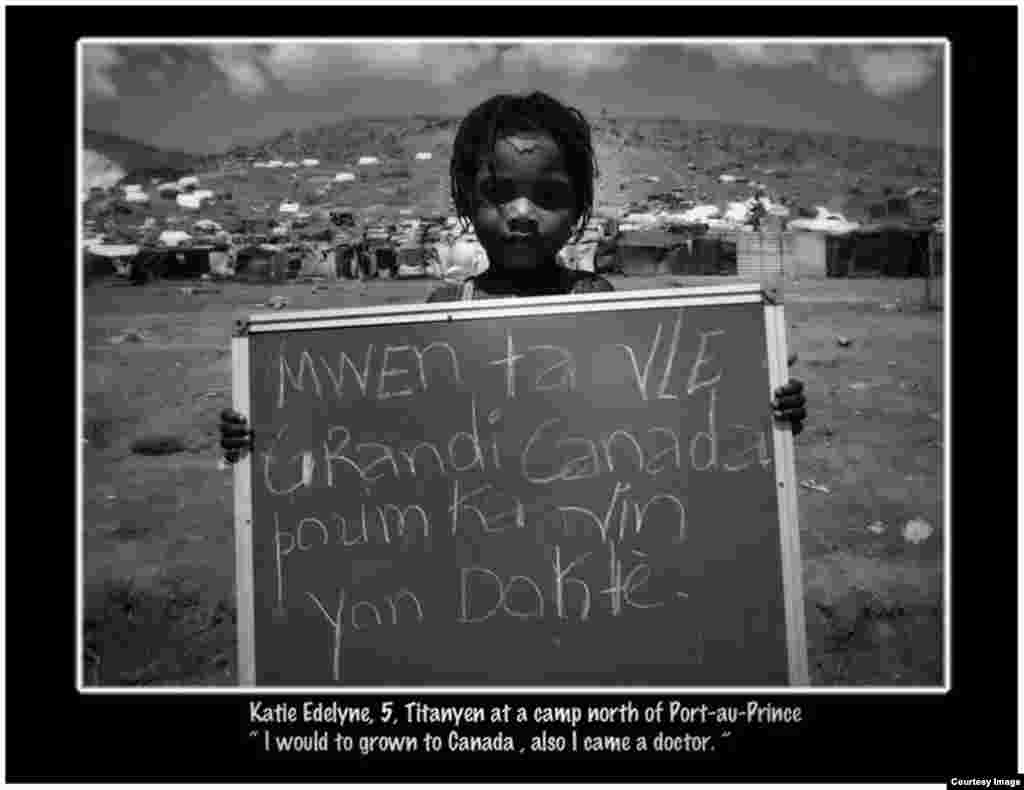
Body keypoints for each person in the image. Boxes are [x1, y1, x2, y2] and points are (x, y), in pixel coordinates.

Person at [221, 91, 805, 461]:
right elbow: (389, 432)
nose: (522, 214)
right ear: (465, 201)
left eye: (547, 196)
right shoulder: (442, 306)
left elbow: (657, 422)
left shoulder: (595, 300)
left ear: (579, 209)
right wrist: (268, 436)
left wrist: (762, 409)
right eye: (499, 194)